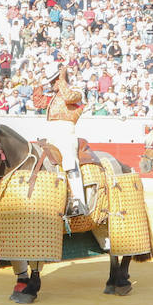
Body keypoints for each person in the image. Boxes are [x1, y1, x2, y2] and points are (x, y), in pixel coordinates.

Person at [41, 63, 88, 215]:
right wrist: (39, 83)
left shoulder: (76, 91)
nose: (51, 84)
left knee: (69, 161)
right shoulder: (54, 97)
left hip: (66, 132)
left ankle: (79, 202)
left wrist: (62, 77)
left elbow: (68, 97)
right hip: (51, 133)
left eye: (53, 81)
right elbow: (37, 102)